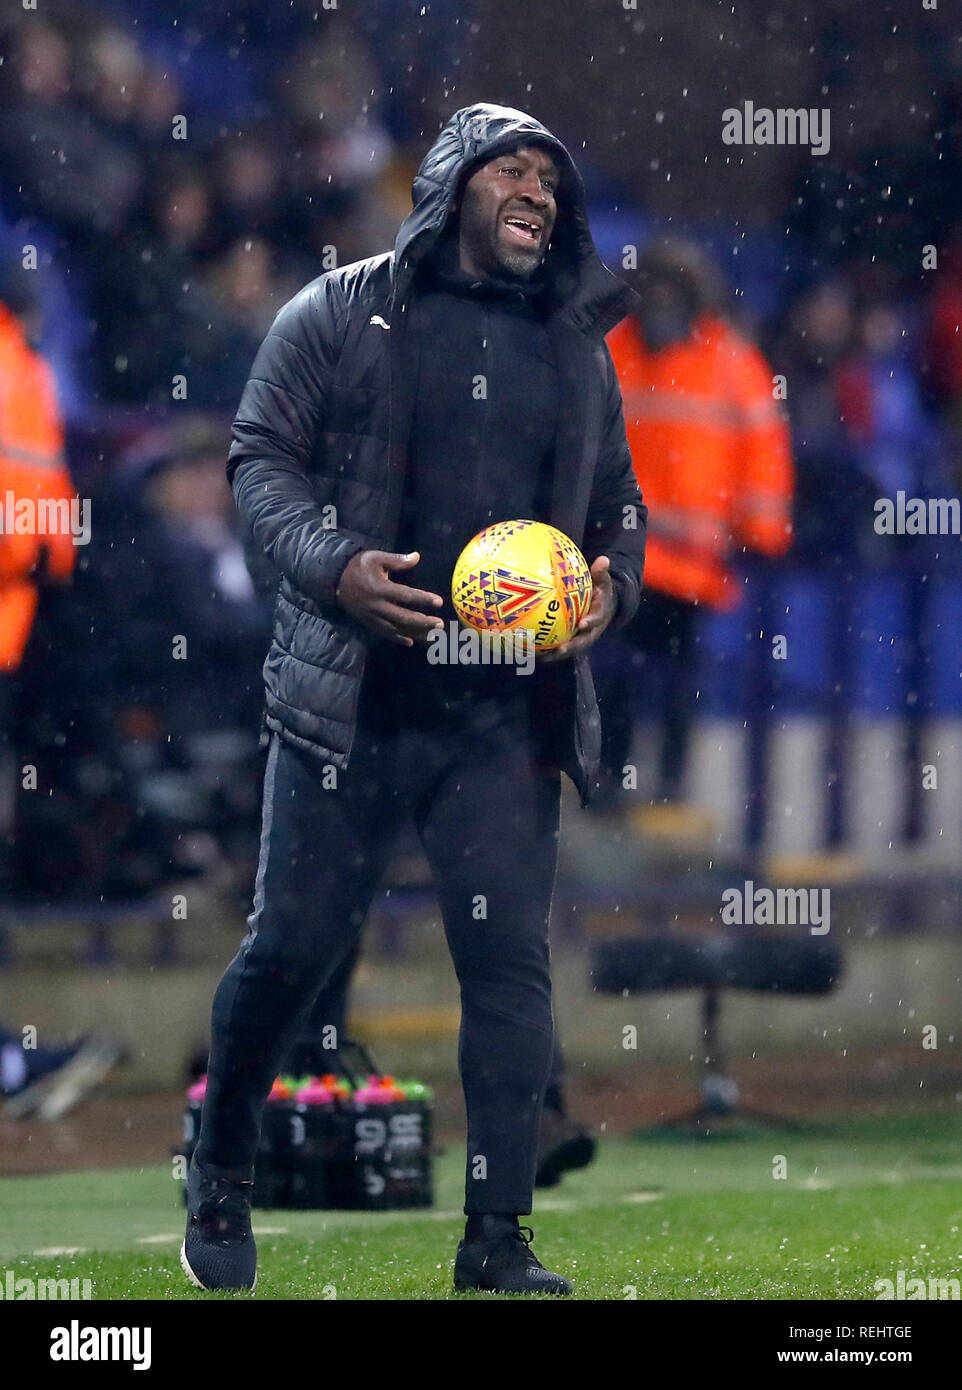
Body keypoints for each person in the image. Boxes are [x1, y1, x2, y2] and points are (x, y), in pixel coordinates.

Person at [182, 103, 646, 1296]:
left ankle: (494, 1239)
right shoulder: (339, 311)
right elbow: (255, 459)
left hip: (502, 712)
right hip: (353, 702)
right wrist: (336, 566)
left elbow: (617, 512)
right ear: (450, 184)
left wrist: (610, 592)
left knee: (504, 968)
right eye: (513, 169)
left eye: (551, 175)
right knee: (289, 949)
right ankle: (219, 1166)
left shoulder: (575, 344)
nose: (536, 190)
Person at [595, 237, 793, 806]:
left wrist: (760, 534)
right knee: (623, 678)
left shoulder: (730, 364)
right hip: (624, 556)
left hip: (685, 563)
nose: (659, 301)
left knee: (666, 680)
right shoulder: (613, 352)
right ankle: (620, 786)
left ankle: (662, 790)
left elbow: (763, 455)